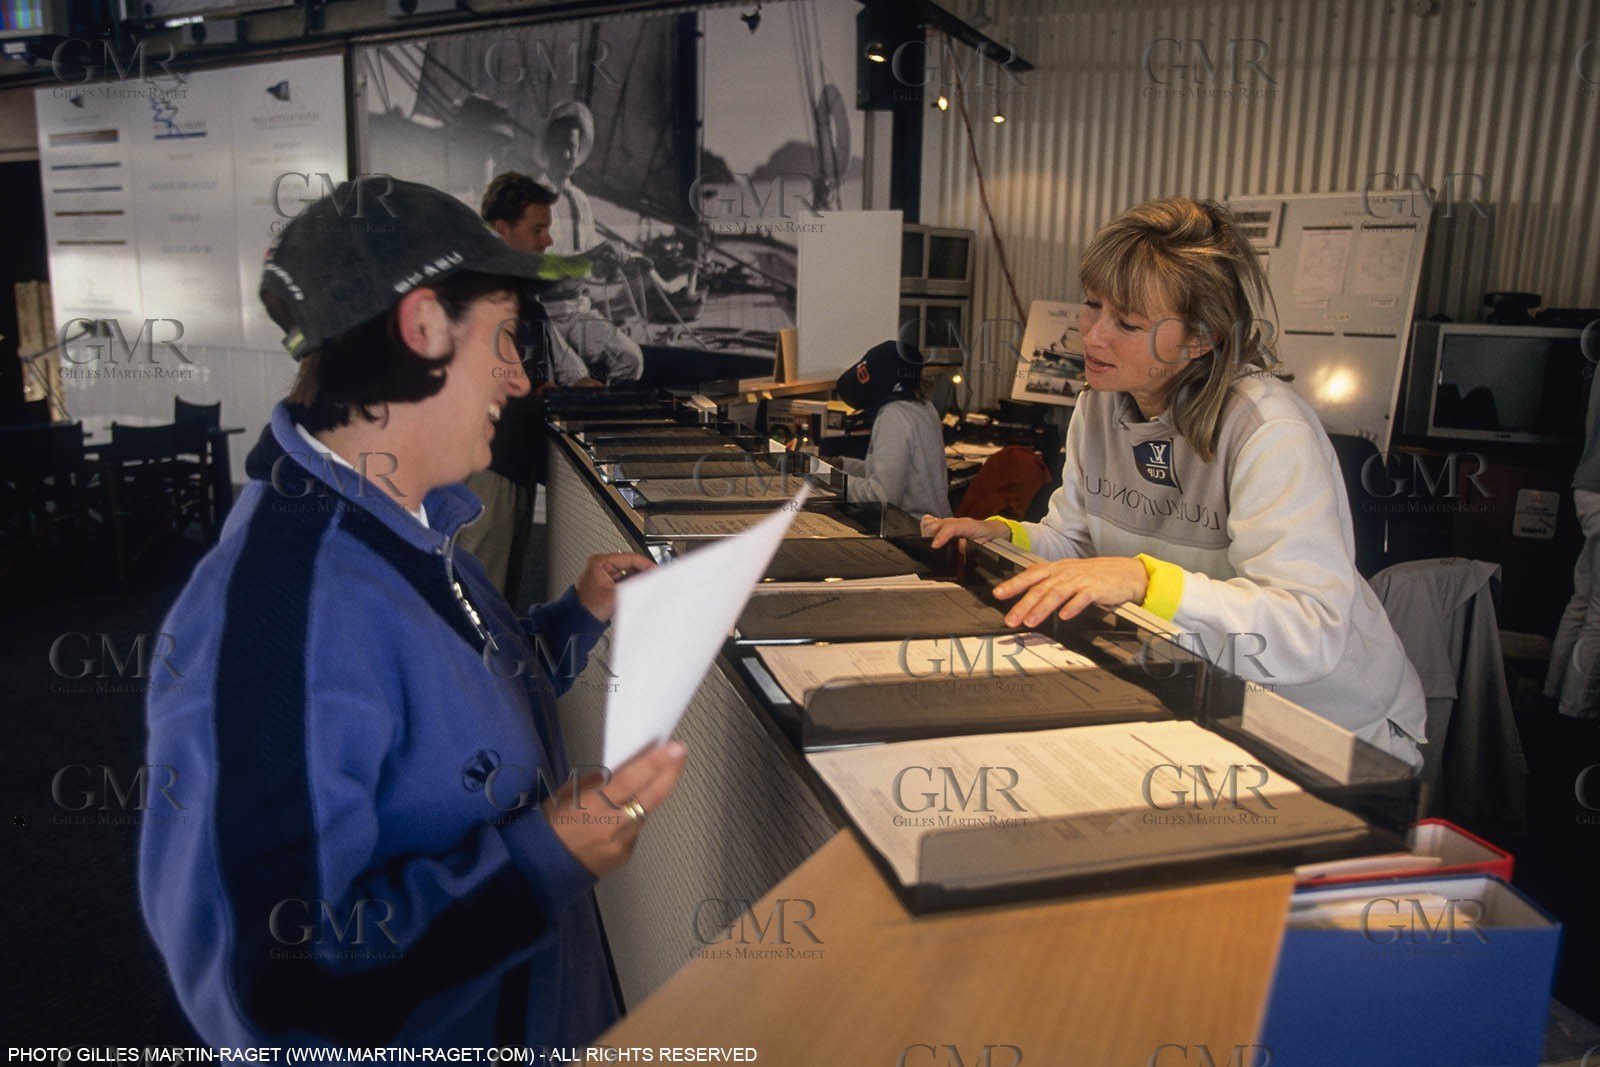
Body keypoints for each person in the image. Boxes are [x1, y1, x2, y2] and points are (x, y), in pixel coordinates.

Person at [139, 176, 687, 1049]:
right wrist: (542, 861)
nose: (520, 375)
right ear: (424, 328)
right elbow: (277, 986)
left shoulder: (408, 529)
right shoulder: (284, 610)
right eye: (504, 338)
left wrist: (577, 614)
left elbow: (463, 708)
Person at [924, 197, 1427, 767]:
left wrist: (1144, 580)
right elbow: (1080, 547)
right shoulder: (1098, 407)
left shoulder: (1267, 431)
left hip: (1329, 729)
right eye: (1092, 305)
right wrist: (1007, 539)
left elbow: (1307, 630)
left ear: (1200, 339)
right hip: (1203, 698)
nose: (1092, 336)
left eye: (1128, 323)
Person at [466, 172, 597, 600]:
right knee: (481, 598)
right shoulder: (481, 296)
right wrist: (541, 392)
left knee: (503, 593)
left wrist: (566, 386)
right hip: (489, 469)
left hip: (514, 463)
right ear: (501, 229)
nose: (547, 240)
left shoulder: (519, 294)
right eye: (537, 229)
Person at [835, 339, 953, 520]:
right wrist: (844, 465)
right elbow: (895, 472)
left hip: (912, 530)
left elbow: (883, 496)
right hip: (935, 526)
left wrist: (828, 478)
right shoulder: (924, 407)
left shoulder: (893, 415)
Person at [1545, 366, 1600, 717]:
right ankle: (1576, 710)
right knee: (1597, 613)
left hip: (1589, 485)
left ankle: (1553, 694)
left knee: (1583, 601)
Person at [541, 276, 645, 384]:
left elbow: (600, 272)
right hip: (541, 315)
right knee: (576, 377)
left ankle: (617, 394)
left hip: (578, 309)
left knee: (630, 359)